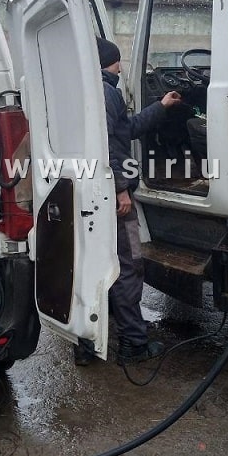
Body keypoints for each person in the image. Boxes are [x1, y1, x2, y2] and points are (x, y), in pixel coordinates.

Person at [76, 37, 182, 366]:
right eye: (118, 62)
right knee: (128, 264)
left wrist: (160, 106)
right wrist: (121, 188)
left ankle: (86, 342)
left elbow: (126, 129)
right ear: (110, 62)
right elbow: (106, 144)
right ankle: (134, 344)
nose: (121, 69)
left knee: (90, 264)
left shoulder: (82, 89)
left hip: (86, 191)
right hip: (112, 194)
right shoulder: (106, 92)